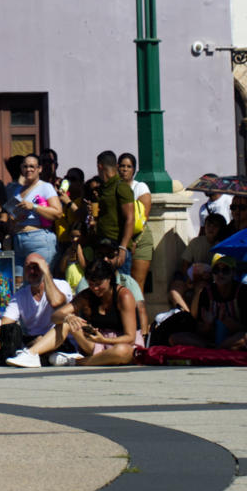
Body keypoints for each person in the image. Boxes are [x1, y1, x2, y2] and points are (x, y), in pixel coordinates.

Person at [0, 253, 73, 367]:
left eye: (36, 267)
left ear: (44, 267)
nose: (32, 271)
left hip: (58, 339)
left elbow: (56, 302)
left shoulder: (61, 285)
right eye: (28, 268)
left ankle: (33, 354)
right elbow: (5, 323)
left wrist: (46, 272)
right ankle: (34, 354)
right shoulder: (20, 295)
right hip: (32, 340)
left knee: (64, 325)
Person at [64, 262, 141, 366]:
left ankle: (77, 362)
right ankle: (34, 353)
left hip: (121, 344)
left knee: (121, 350)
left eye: (98, 284)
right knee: (67, 323)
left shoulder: (124, 296)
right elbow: (56, 316)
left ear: (109, 279)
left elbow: (130, 338)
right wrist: (69, 317)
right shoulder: (87, 294)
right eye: (91, 284)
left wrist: (104, 340)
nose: (95, 288)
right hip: (98, 343)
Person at [6, 152, 61, 271]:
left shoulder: (45, 187)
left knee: (41, 282)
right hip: (18, 241)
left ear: (39, 169)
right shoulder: (16, 190)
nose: (28, 169)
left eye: (32, 166)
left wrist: (34, 207)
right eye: (25, 166)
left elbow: (57, 213)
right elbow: (11, 219)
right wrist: (14, 220)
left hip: (38, 240)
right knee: (19, 285)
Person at [90, 150, 135, 267]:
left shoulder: (121, 187)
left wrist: (123, 247)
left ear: (99, 166)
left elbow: (130, 219)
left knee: (120, 284)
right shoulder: (103, 188)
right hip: (103, 247)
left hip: (116, 248)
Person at [118, 151, 154, 290]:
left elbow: (144, 216)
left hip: (139, 237)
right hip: (121, 237)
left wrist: (132, 241)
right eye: (122, 166)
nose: (125, 169)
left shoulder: (140, 187)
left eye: (129, 166)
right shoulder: (115, 187)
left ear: (134, 169)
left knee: (137, 284)